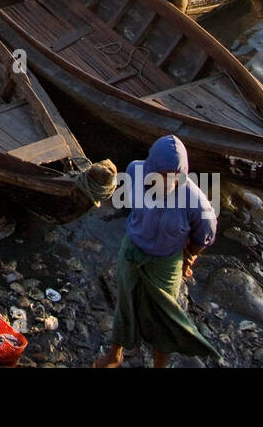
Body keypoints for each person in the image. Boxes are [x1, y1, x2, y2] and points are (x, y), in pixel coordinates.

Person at [93, 135, 219, 368]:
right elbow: (131, 204)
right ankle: (115, 354)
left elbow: (206, 233)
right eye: (162, 175)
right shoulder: (134, 171)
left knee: (163, 317)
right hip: (132, 249)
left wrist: (190, 255)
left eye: (174, 176)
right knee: (125, 303)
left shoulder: (194, 200)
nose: (167, 181)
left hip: (165, 262)